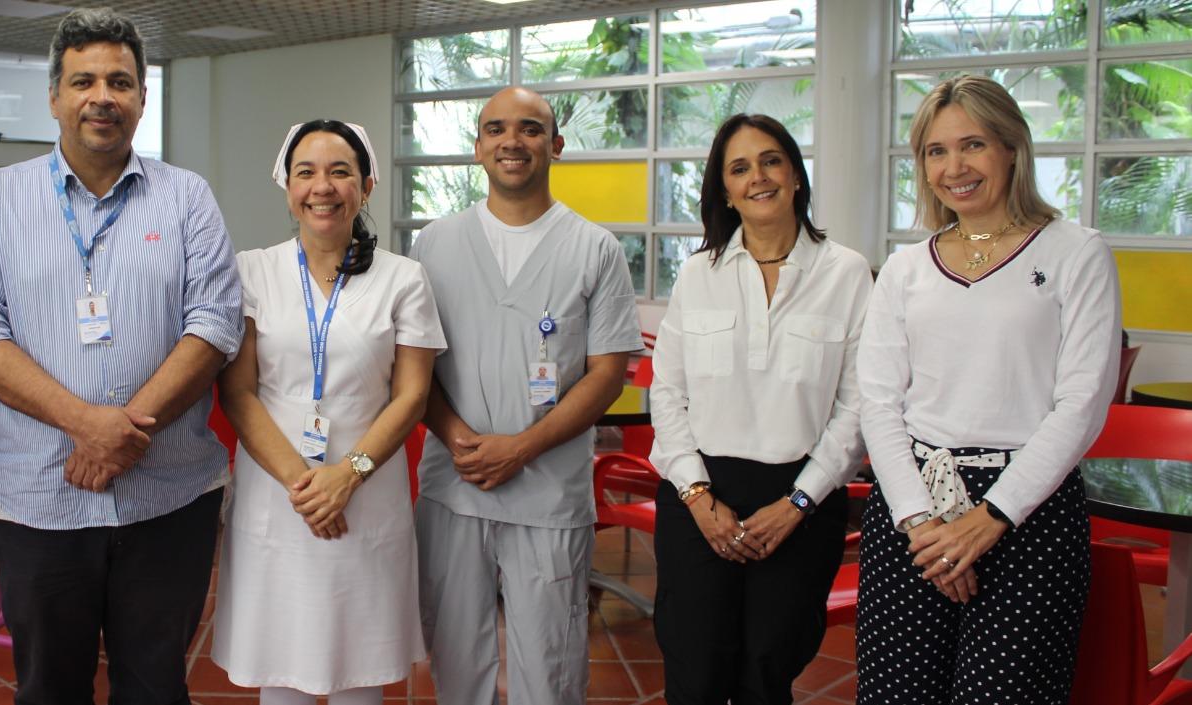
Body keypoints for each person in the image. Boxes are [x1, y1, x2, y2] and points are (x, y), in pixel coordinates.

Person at [0, 8, 243, 705]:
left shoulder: (187, 197)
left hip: (168, 497)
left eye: (119, 81)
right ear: (54, 97)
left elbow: (215, 323)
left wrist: (124, 430)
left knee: (155, 687)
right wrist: (87, 424)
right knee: (49, 686)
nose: (101, 96)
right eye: (82, 81)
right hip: (42, 500)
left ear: (142, 97)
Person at [855, 74, 1120, 704]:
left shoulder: (1077, 253)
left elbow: (1081, 404)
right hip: (911, 515)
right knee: (897, 694)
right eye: (936, 151)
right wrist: (926, 527)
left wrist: (987, 519)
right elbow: (879, 403)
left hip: (1028, 517)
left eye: (972, 145)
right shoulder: (905, 267)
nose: (955, 167)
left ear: (1011, 148)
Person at [411, 86, 644, 705]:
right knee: (455, 656)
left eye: (531, 129)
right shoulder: (431, 246)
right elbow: (415, 368)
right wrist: (462, 440)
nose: (512, 142)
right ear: (477, 148)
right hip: (455, 486)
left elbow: (606, 373)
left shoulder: (596, 249)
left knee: (552, 663)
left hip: (547, 490)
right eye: (496, 129)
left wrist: (520, 448)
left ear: (556, 145)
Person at [210, 119, 446, 705]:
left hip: (365, 496)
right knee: (281, 668)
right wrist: (306, 484)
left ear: (365, 187)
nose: (323, 186)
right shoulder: (252, 270)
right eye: (306, 172)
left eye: (340, 172)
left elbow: (411, 395)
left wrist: (347, 475)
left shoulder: (403, 278)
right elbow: (238, 392)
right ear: (287, 187)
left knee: (359, 672)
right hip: (279, 494)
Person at [647, 114, 870, 705]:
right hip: (701, 497)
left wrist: (797, 503)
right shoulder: (699, 273)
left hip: (799, 499)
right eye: (739, 168)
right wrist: (697, 497)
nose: (758, 177)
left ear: (795, 175)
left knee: (767, 673)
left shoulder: (846, 273)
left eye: (771, 161)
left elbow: (858, 405)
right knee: (694, 674)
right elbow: (666, 393)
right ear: (725, 191)